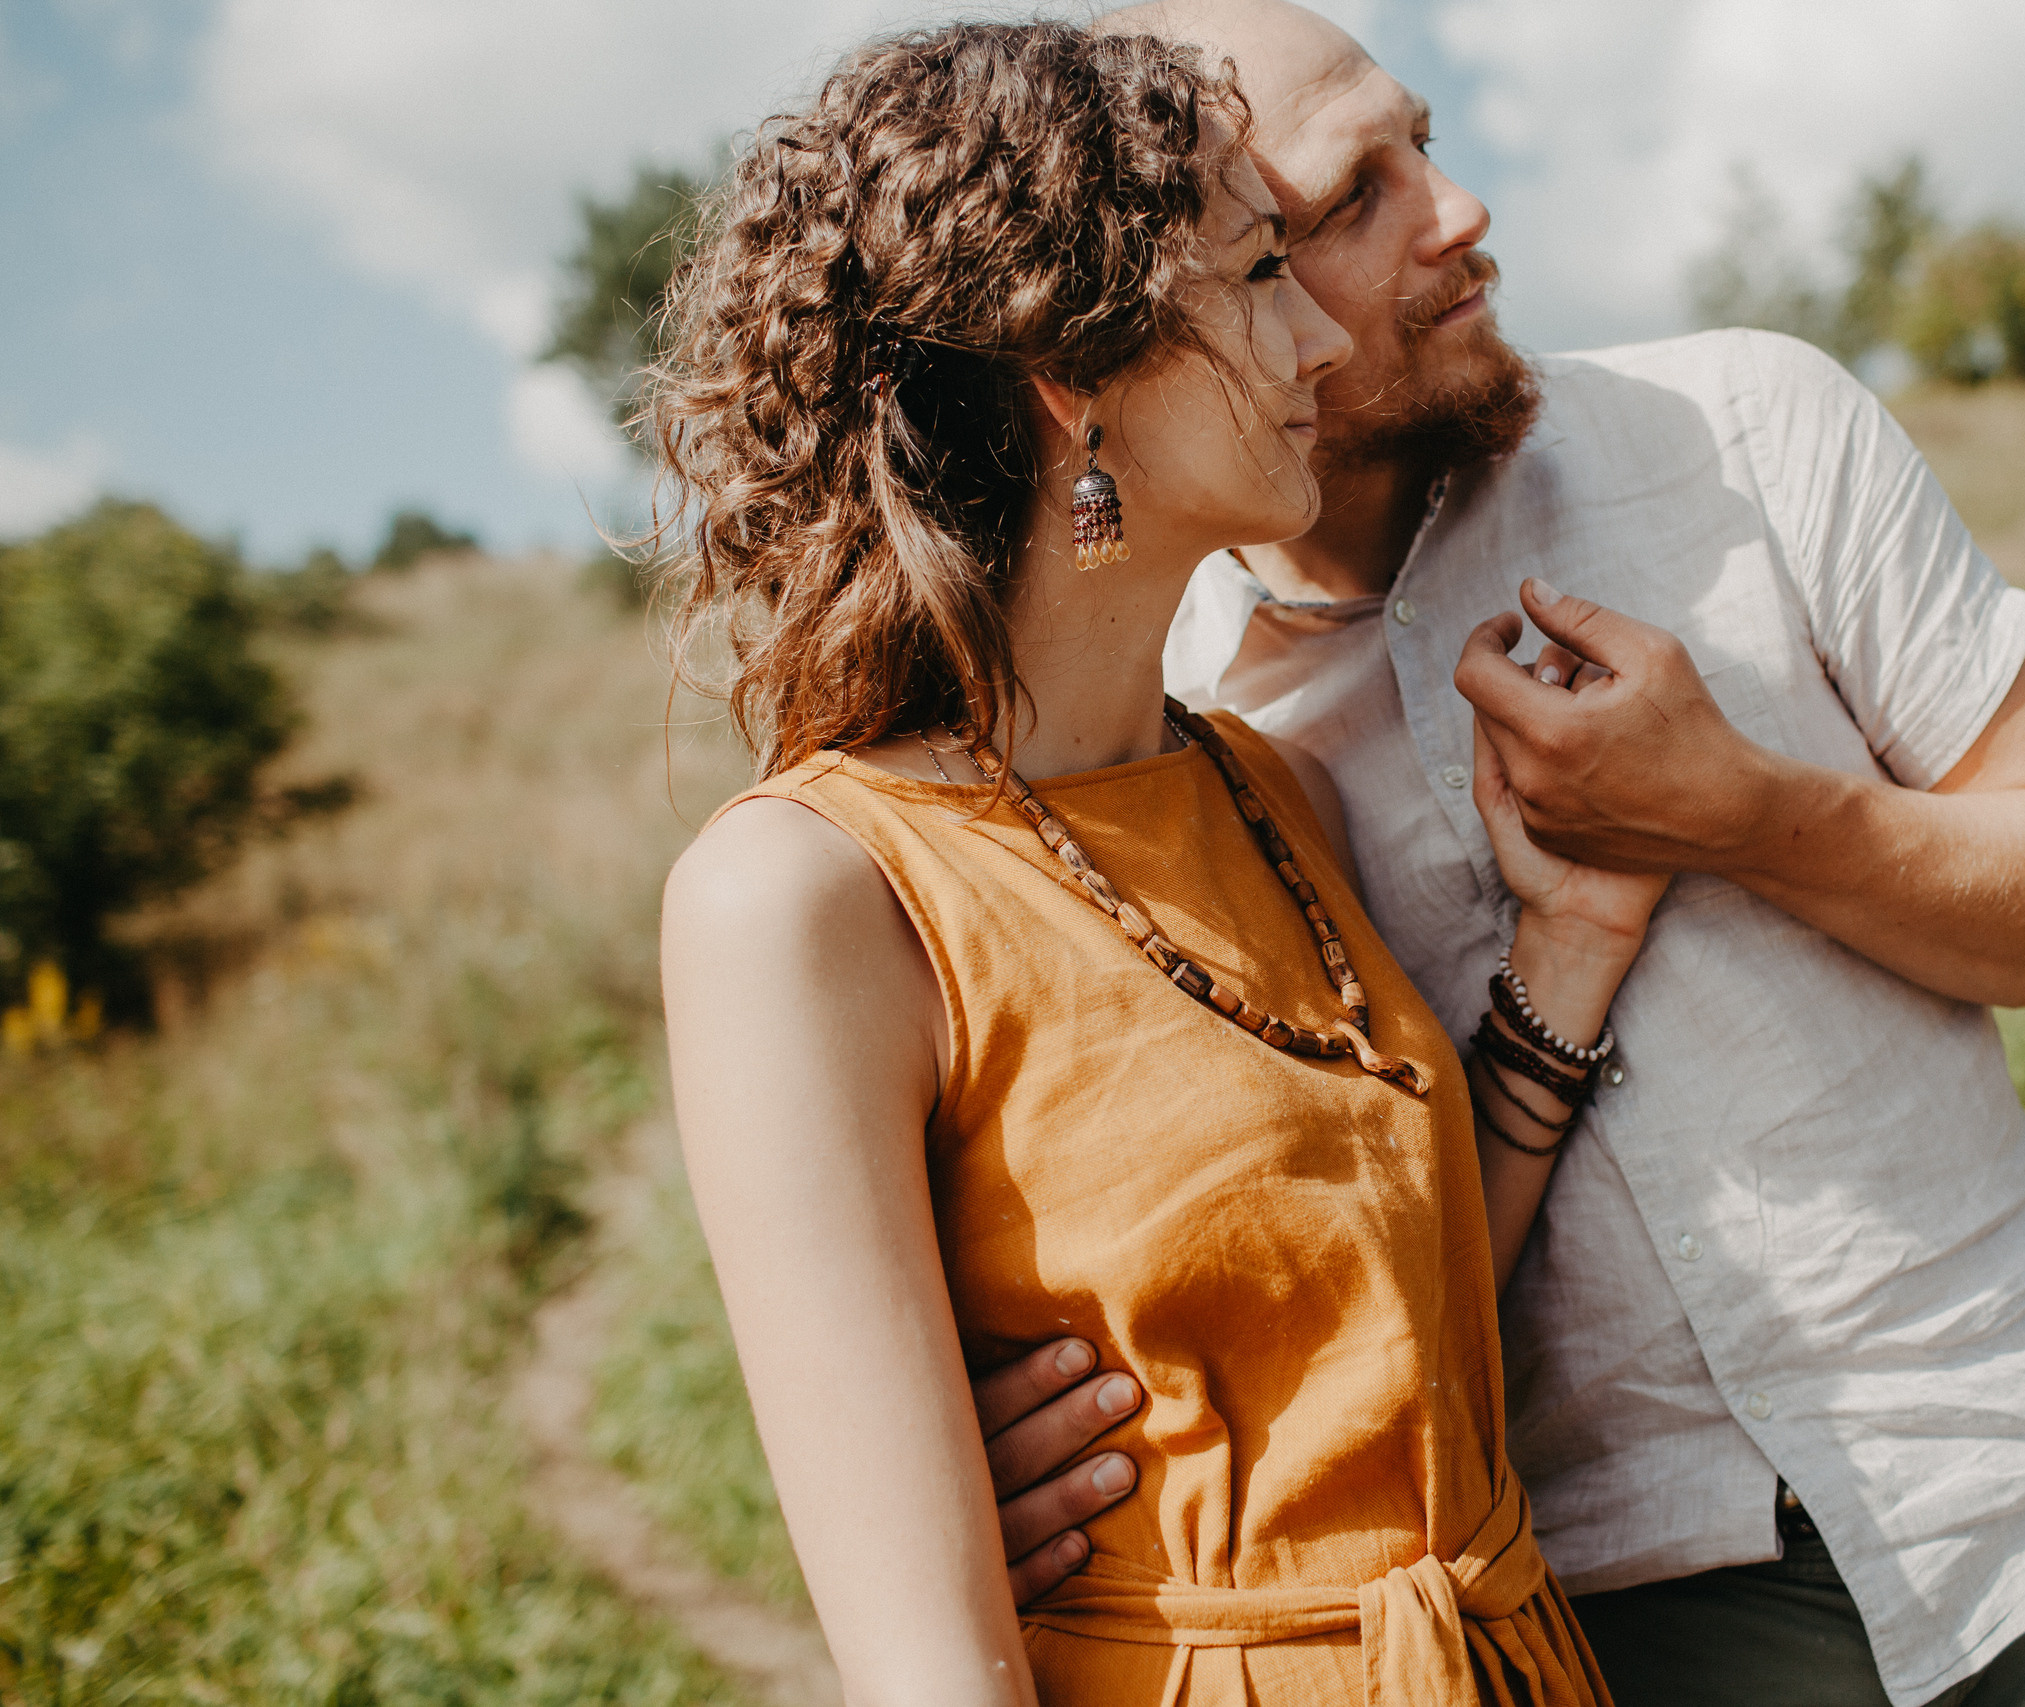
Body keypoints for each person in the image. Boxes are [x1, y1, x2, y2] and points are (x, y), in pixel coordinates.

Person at [974, 5, 2025, 1705]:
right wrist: (1028, 1434)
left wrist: (1749, 812)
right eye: (1350, 204)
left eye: (1426, 142)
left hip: (2018, 1508)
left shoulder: (1753, 434)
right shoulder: (1189, 739)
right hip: (1606, 1628)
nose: (1459, 211)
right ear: (1188, 292)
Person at [653, 21, 1650, 1704]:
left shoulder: (1266, 787)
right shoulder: (809, 899)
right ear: (1076, 374)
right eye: (1263, 271)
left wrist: (1573, 945)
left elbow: (1386, 1340)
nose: (1321, 332)